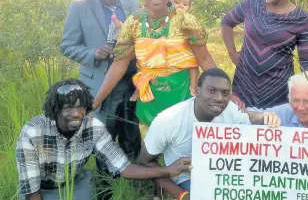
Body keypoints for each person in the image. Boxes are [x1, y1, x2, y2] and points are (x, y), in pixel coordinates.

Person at [15, 78, 192, 200]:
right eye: (68, 108)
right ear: (55, 109)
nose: (76, 114)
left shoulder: (93, 127)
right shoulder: (32, 134)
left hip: (75, 184)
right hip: (41, 190)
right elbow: (33, 191)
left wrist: (169, 170)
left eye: (81, 107)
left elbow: (125, 169)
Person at [93, 0, 216, 127]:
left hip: (183, 94)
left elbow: (205, 59)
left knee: (181, 144)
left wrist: (225, 92)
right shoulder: (133, 22)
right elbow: (119, 64)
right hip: (150, 97)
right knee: (154, 144)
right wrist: (95, 102)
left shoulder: (185, 20)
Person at [60, 0, 141, 199]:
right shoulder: (80, 7)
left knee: (131, 133)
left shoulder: (134, 5)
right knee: (103, 136)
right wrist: (93, 53)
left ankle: (132, 183)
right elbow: (67, 45)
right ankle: (106, 187)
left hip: (132, 83)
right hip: (98, 87)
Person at [138, 68, 281, 199]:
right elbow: (145, 161)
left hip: (226, 174)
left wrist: (264, 118)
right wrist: (182, 195)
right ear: (196, 90)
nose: (219, 98)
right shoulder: (168, 121)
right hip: (189, 178)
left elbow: (247, 120)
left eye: (225, 93)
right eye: (212, 91)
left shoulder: (230, 110)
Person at [221, 0, 308, 110]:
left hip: (279, 95)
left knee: (274, 128)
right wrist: (232, 53)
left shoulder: (301, 19)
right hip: (243, 89)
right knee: (243, 127)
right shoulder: (251, 4)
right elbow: (227, 22)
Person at [170, 0, 200, 95]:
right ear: (170, 3)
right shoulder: (166, 19)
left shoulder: (190, 20)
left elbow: (196, 35)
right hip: (171, 50)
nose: (180, 6)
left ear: (189, 7)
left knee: (193, 63)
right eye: (176, 2)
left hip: (186, 48)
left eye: (185, 4)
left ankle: (193, 87)